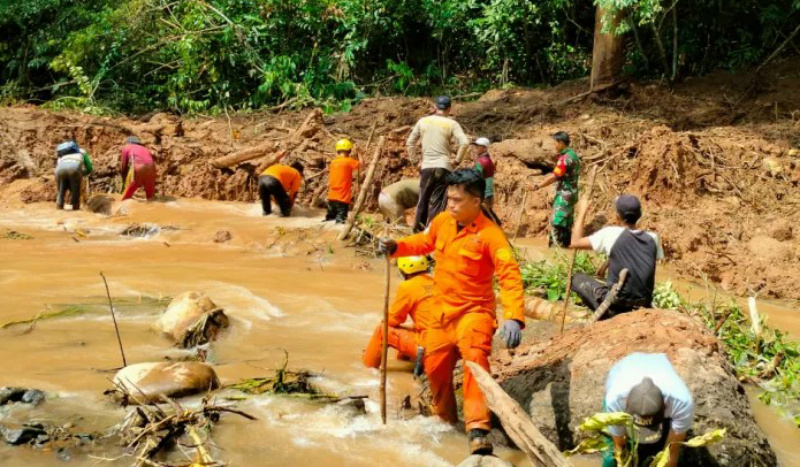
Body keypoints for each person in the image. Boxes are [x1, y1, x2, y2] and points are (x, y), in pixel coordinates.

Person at [378, 168, 526, 455]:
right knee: (434, 367)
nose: (451, 205)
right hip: (442, 311)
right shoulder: (443, 221)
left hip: (475, 312)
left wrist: (514, 317)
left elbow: (510, 276)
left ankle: (478, 430)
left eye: (457, 200)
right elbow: (423, 242)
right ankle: (445, 420)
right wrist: (396, 247)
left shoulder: (491, 235)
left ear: (476, 202)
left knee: (474, 361)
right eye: (449, 199)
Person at [569, 194, 665, 317]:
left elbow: (575, 242)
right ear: (639, 216)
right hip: (643, 305)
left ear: (617, 216)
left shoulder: (610, 234)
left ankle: (604, 318)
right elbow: (640, 257)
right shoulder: (653, 238)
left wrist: (582, 211)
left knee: (577, 279)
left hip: (616, 306)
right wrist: (608, 262)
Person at [603, 353, 695, 467]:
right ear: (626, 404)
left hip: (660, 368)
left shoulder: (681, 403)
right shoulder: (615, 401)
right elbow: (619, 444)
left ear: (665, 407)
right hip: (626, 367)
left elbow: (672, 452)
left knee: (659, 452)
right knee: (610, 458)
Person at [406, 95, 470, 232]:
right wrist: (457, 160)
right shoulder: (452, 124)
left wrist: (415, 161)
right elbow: (464, 143)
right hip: (443, 166)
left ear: (435, 107)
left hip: (427, 166)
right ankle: (432, 231)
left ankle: (417, 231)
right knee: (438, 202)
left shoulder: (423, 121)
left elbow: (410, 142)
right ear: (449, 109)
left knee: (423, 198)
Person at [362, 256, 435, 369]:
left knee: (382, 330)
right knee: (405, 330)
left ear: (403, 271)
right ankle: (404, 364)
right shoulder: (437, 282)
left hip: (430, 349)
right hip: (447, 344)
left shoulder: (407, 287)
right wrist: (404, 326)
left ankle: (367, 368)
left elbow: (392, 321)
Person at [531, 131, 580, 247]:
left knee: (556, 223)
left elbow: (554, 177)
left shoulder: (564, 159)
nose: (554, 146)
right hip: (573, 194)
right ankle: (565, 251)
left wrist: (537, 186)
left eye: (556, 143)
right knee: (566, 224)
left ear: (562, 143)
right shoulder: (574, 155)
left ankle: (554, 252)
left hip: (564, 195)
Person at [325, 139, 360, 224]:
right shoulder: (349, 161)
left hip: (331, 197)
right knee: (340, 221)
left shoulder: (333, 162)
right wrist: (360, 153)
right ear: (349, 150)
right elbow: (362, 164)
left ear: (337, 150)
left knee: (329, 220)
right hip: (343, 198)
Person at [54, 140, 93, 210]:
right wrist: (82, 174)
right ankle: (75, 207)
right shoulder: (82, 151)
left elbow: (59, 164)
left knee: (61, 189)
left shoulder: (63, 153)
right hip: (74, 168)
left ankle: (59, 205)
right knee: (75, 190)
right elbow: (89, 168)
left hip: (59, 169)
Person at [472, 137, 501, 226]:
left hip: (483, 191)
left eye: (478, 146)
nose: (476, 148)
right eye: (476, 146)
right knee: (487, 212)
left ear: (485, 148)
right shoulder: (487, 160)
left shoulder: (482, 161)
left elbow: (476, 176)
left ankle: (497, 228)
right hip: (487, 190)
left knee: (486, 213)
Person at [120, 136, 157, 201]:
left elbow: (124, 164)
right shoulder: (145, 148)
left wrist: (123, 175)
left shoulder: (127, 147)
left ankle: (123, 202)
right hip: (152, 167)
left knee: (132, 187)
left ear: (129, 142)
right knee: (150, 195)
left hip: (139, 166)